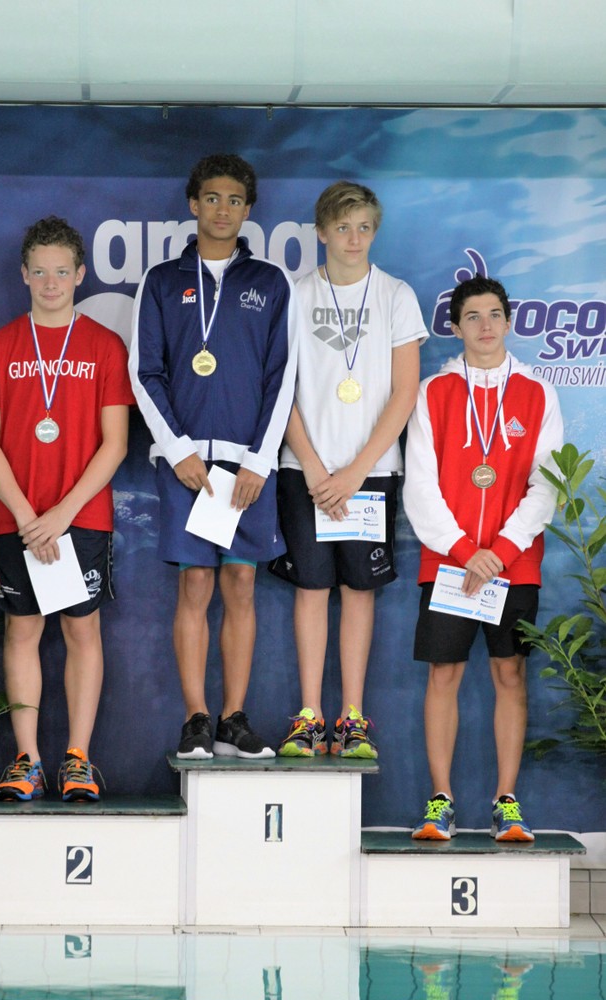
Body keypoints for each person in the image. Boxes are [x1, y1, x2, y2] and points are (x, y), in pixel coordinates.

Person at [129, 154, 298, 760]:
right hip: (186, 466)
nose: (222, 209)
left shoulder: (271, 282)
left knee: (242, 583)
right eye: (211, 198)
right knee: (195, 583)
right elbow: (144, 371)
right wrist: (177, 450)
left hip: (246, 462)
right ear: (193, 204)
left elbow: (283, 376)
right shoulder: (160, 280)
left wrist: (259, 460)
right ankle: (196, 718)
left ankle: (234, 718)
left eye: (234, 200)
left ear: (248, 209)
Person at [0, 215, 135, 801]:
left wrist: (62, 514)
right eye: (40, 272)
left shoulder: (104, 346)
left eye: (61, 271)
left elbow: (116, 443)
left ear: (81, 274)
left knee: (82, 630)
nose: (51, 283)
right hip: (15, 518)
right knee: (22, 630)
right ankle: (28, 761)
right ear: (23, 275)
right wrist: (25, 517)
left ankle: (78, 759)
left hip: (79, 517)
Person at [404, 273, 563, 841]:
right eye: (472, 316)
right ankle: (440, 801)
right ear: (454, 328)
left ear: (510, 322)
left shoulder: (538, 392)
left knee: (510, 672)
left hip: (513, 564)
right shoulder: (433, 392)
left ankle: (506, 801)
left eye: (495, 314)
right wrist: (467, 552)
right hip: (450, 563)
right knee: (443, 674)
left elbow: (547, 484)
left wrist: (500, 551)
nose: (485, 325)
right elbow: (420, 485)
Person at [270, 181, 426, 758]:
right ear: (321, 233)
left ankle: (352, 719)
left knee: (359, 592)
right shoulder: (295, 294)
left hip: (372, 474)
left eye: (363, 228)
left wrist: (357, 471)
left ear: (374, 232)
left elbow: (405, 392)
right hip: (304, 471)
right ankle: (309, 717)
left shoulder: (396, 295)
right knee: (312, 590)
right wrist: (314, 468)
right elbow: (279, 390)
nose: (354, 239)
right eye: (342, 227)